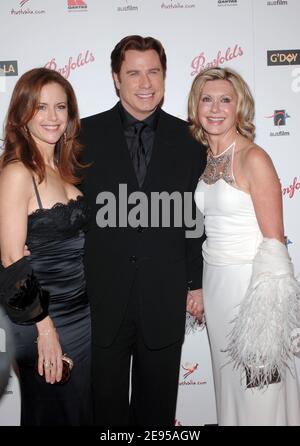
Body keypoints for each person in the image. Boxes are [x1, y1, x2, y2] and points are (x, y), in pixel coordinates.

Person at [80, 35, 206, 426]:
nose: (145, 82)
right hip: (101, 301)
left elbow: (193, 218)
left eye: (153, 71)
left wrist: (195, 282)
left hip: (164, 300)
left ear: (165, 76)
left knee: (157, 414)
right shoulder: (81, 136)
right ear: (116, 79)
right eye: (133, 73)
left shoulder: (191, 139)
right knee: (106, 413)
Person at [189, 66, 300, 426]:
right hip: (218, 288)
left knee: (260, 391)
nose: (215, 108)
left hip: (251, 293)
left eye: (225, 100)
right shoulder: (206, 160)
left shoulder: (254, 158)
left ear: (240, 107)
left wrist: (266, 318)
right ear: (196, 106)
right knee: (232, 388)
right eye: (207, 99)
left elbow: (274, 246)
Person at [0, 68, 92, 425]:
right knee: (50, 413)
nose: (53, 117)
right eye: (41, 107)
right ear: (23, 114)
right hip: (42, 318)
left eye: (61, 107)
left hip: (82, 315)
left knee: (79, 412)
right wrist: (45, 330)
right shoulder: (17, 173)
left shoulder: (63, 167)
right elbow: (10, 259)